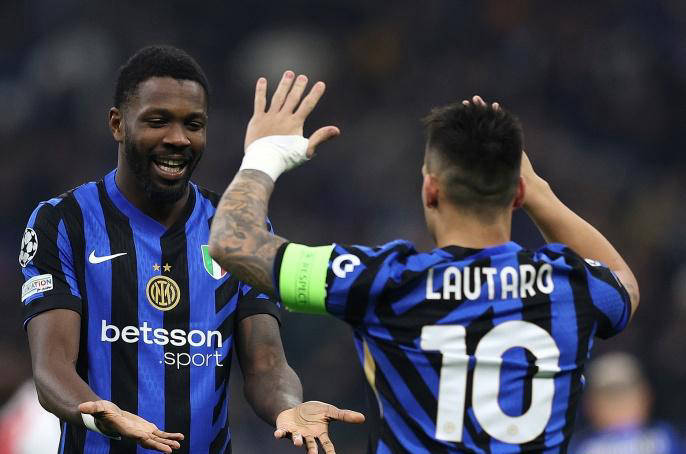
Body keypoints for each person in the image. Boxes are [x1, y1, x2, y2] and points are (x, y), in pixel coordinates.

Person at [208, 71, 640, 452]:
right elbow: (624, 283)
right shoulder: (571, 286)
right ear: (518, 193)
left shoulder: (385, 282)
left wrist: (265, 155)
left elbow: (231, 243)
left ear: (431, 190)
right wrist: (536, 190)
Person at [18, 46, 363, 454]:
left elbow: (266, 364)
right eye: (158, 121)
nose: (178, 138)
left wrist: (289, 407)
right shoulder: (63, 222)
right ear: (118, 124)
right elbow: (52, 367)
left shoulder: (236, 231)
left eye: (193, 124)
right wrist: (99, 414)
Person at [570, 352, 685, 454]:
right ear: (590, 405)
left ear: (645, 397)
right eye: (610, 398)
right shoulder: (580, 447)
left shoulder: (665, 438)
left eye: (625, 394)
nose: (619, 405)